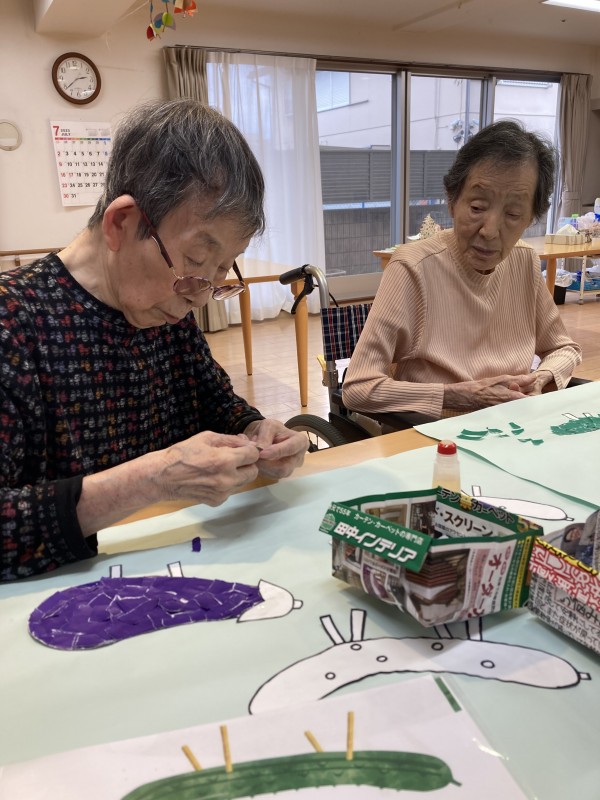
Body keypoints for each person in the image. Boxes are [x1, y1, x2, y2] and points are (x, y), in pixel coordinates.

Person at [0, 98, 308, 582]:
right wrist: (151, 479)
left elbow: (216, 406)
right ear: (121, 223)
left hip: (178, 568)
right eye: (194, 261)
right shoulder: (13, 322)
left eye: (221, 271)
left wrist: (258, 432)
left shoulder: (167, 310)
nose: (199, 297)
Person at [342, 119, 582, 420]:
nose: (490, 231)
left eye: (512, 214)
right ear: (452, 201)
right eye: (477, 207)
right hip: (434, 434)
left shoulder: (524, 261)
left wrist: (541, 377)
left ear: (530, 218)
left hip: (512, 427)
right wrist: (461, 396)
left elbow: (564, 349)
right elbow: (358, 388)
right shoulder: (413, 267)